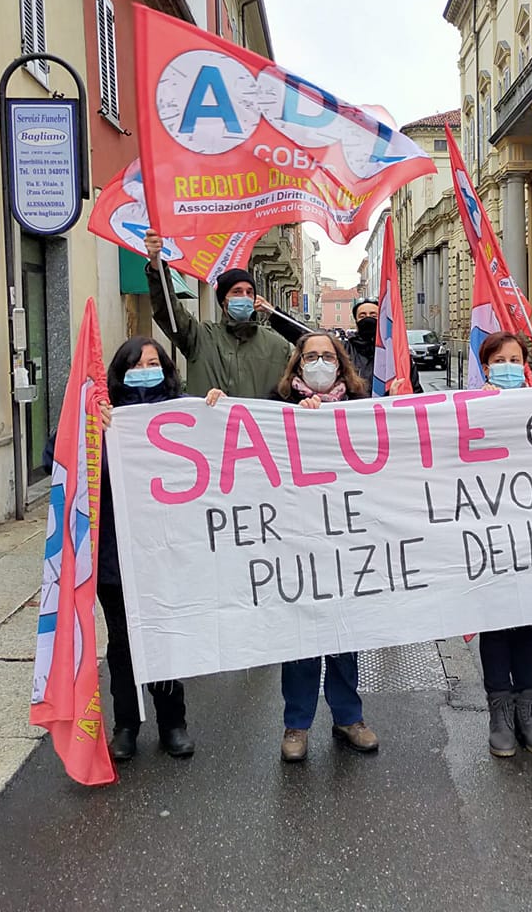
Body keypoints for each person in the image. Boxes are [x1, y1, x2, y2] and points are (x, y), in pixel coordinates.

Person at [269, 332, 382, 762]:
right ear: (297, 364)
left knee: (342, 633)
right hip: (295, 539)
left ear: (341, 364)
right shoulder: (275, 407)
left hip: (347, 540)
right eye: (310, 356)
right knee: (300, 635)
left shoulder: (360, 407)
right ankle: (296, 724)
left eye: (327, 356)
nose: (319, 362)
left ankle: (348, 717)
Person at [91, 338, 194, 760]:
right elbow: (56, 460)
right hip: (115, 550)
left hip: (164, 550)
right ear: (121, 371)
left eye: (153, 362)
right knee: (122, 642)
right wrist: (90, 430)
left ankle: (173, 723)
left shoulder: (183, 410)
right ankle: (126, 725)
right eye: (136, 364)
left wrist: (215, 407)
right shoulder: (99, 414)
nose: (145, 370)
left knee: (162, 636)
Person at [475, 330, 532, 758]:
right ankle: (499, 711)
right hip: (487, 532)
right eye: (498, 360)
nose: (506, 366)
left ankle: (529, 707)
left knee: (527, 620)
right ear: (486, 367)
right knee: (497, 620)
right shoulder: (467, 407)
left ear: (524, 364)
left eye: (514, 359)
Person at [143, 229, 291, 399]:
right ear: (223, 301)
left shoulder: (278, 346)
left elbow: (293, 391)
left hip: (256, 426)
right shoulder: (200, 338)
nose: (244, 297)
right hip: (209, 425)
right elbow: (167, 310)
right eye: (236, 292)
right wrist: (157, 266)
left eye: (250, 292)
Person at [342, 296, 422, 394]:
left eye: (373, 315)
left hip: (389, 408)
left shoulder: (397, 352)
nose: (368, 318)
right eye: (362, 316)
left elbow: (415, 390)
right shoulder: (344, 351)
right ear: (356, 321)